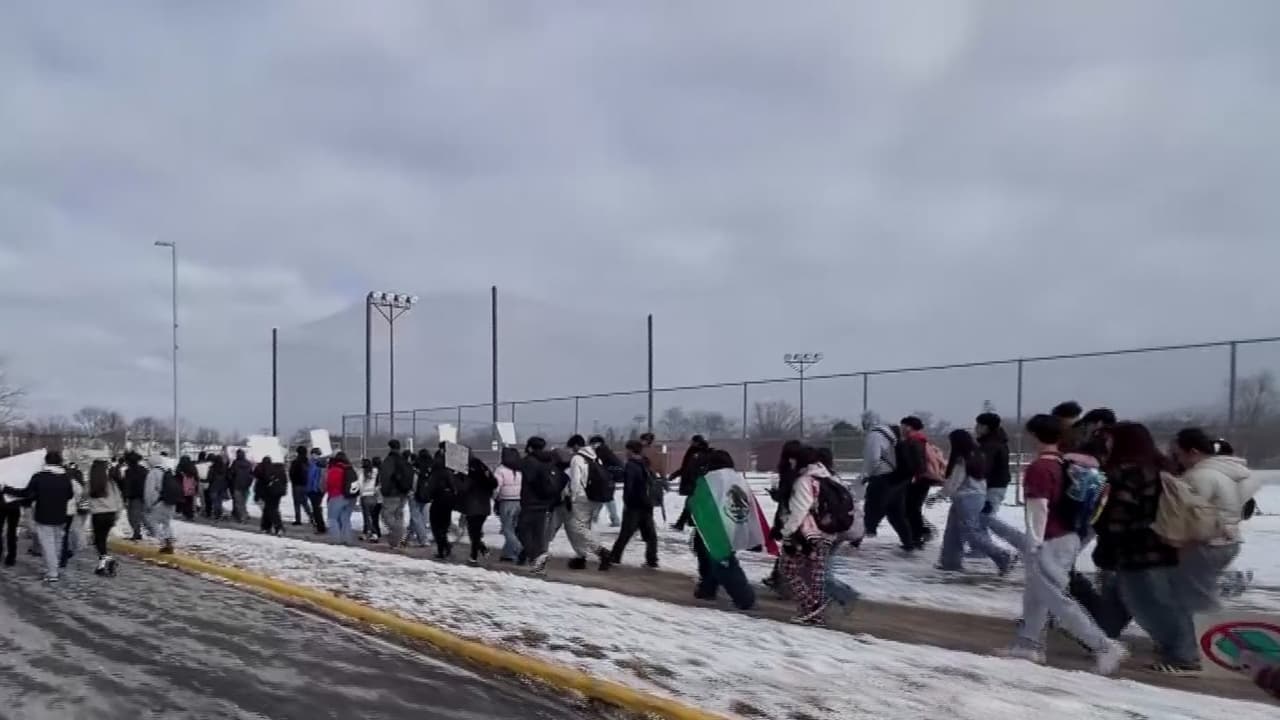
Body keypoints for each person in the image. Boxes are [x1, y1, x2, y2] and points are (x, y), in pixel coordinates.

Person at [1004, 414, 1126, 674]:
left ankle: (1103, 645)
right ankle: (1028, 643)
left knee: (1055, 597)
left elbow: (1038, 508)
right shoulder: (1065, 464)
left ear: (1035, 436)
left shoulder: (1040, 467)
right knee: (1037, 594)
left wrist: (1034, 542)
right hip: (1068, 536)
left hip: (1048, 538)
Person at [1094, 422, 1198, 674]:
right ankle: (1179, 650)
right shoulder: (1161, 467)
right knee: (1160, 601)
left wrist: (1108, 538)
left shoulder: (1128, 473)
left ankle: (1182, 655)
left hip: (1137, 550)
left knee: (1149, 604)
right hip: (1162, 546)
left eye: (1111, 440)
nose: (1107, 445)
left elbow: (1119, 516)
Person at [1168, 428, 1260, 614]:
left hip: (1206, 544)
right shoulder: (1230, 469)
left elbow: (1186, 514)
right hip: (1229, 539)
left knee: (1198, 600)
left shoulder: (1199, 475)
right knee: (1200, 593)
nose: (1177, 461)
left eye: (1178, 455)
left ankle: (1208, 638)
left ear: (1193, 452)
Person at [936, 429, 1017, 574]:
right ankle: (950, 562)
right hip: (976, 496)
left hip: (965, 498)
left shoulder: (962, 459)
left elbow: (955, 482)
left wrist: (940, 494)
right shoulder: (979, 455)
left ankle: (1002, 555)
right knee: (953, 531)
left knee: (971, 532)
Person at [776, 445, 838, 625]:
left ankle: (812, 608)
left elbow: (799, 511)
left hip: (807, 533)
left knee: (788, 568)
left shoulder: (804, 481)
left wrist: (787, 533)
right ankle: (814, 613)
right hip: (827, 532)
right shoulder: (828, 476)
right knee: (815, 573)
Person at [4, 451, 76, 581]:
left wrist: (7, 489)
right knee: (57, 543)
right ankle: (54, 568)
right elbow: (70, 495)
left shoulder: (39, 477)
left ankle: (52, 573)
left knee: (48, 545)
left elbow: (26, 493)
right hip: (60, 515)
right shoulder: (65, 477)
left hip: (44, 516)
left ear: (46, 461)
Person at [816, 447, 860, 610]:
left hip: (830, 532)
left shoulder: (825, 482)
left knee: (822, 575)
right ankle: (826, 602)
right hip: (840, 530)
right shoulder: (836, 479)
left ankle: (848, 598)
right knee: (822, 571)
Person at [562, 435, 613, 571]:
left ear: (575, 446)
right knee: (584, 527)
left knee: (577, 527)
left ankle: (601, 552)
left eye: (572, 447)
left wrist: (572, 499)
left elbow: (575, 481)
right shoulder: (596, 457)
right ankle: (581, 557)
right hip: (595, 498)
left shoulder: (577, 459)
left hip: (581, 498)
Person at [609, 440, 659, 568]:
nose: (626, 452)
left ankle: (615, 556)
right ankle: (652, 559)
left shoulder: (631, 465)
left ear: (631, 450)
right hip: (647, 504)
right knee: (650, 534)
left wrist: (627, 502)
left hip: (634, 505)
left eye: (627, 450)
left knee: (626, 532)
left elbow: (629, 486)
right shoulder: (645, 463)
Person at [861, 422, 912, 547]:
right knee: (896, 514)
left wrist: (868, 474)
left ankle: (858, 542)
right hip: (897, 479)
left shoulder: (875, 435)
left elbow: (873, 458)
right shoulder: (892, 438)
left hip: (881, 477)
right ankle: (908, 543)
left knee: (871, 511)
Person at [518, 437, 558, 574]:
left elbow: (520, 468)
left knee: (522, 531)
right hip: (544, 502)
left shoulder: (529, 462)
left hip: (530, 503)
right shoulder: (548, 460)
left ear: (529, 448)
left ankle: (536, 558)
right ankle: (539, 563)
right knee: (538, 534)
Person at [974, 413, 1010, 531]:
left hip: (992, 487)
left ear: (986, 427)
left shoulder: (990, 445)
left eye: (978, 425)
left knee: (983, 520)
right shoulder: (998, 441)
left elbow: (984, 467)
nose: (976, 428)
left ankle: (984, 548)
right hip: (996, 485)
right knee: (984, 519)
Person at [86, 458, 123, 576]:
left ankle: (107, 560)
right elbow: (118, 501)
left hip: (98, 515)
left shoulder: (90, 484)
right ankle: (101, 567)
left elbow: (83, 499)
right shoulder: (111, 483)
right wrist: (117, 516)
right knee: (102, 540)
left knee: (98, 541)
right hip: (110, 514)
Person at [459, 455, 497, 565]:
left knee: (473, 533)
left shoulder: (470, 478)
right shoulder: (487, 479)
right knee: (476, 531)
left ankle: (474, 556)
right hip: (484, 508)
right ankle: (481, 549)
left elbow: (463, 489)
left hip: (472, 507)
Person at [669, 435, 710, 531]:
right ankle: (690, 522)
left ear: (697, 442)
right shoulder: (693, 451)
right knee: (692, 503)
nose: (691, 443)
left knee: (690, 503)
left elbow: (693, 468)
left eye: (693, 441)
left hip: (696, 482)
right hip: (692, 481)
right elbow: (686, 467)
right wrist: (675, 474)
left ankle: (681, 523)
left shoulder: (701, 453)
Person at [426, 446, 459, 559]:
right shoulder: (448, 472)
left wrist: (430, 496)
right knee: (444, 526)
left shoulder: (434, 474)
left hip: (437, 501)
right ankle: (444, 547)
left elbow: (430, 489)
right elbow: (454, 488)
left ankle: (443, 548)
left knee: (435, 526)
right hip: (447, 501)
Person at [379, 440, 414, 548]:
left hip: (392, 494)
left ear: (389, 447)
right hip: (403, 492)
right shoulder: (403, 461)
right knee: (398, 515)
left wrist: (384, 491)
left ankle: (398, 533)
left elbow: (385, 477)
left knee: (386, 515)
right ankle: (395, 541)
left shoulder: (389, 461)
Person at [494, 446, 523, 563]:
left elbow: (496, 486)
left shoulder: (500, 470)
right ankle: (508, 553)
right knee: (514, 528)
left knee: (507, 529)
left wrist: (495, 498)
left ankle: (519, 548)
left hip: (506, 501)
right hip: (520, 501)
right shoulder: (521, 469)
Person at [145, 456, 180, 553]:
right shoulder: (168, 471)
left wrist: (149, 505)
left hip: (159, 502)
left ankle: (164, 541)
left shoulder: (152, 473)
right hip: (170, 501)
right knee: (166, 522)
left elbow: (149, 491)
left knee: (152, 521)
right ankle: (169, 540)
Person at [324, 452, 358, 545]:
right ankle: (347, 539)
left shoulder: (334, 469)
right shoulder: (350, 468)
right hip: (351, 497)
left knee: (332, 518)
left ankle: (335, 540)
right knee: (345, 519)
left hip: (337, 496)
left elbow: (329, 484)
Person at [589, 436, 622, 528]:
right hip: (608, 480)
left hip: (604, 480)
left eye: (593, 443)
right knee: (606, 499)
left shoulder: (602, 452)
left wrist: (606, 471)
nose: (592, 446)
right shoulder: (607, 452)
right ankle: (613, 519)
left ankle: (595, 519)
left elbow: (615, 465)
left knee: (602, 499)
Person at [253, 456, 287, 536]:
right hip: (278, 492)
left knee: (271, 510)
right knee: (269, 509)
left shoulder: (263, 468)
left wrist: (257, 495)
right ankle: (266, 527)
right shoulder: (280, 470)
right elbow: (285, 482)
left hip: (269, 493)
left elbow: (260, 483)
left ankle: (279, 527)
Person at [408, 449, 433, 548]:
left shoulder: (416, 467)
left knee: (416, 517)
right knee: (422, 515)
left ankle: (423, 539)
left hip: (416, 494)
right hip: (427, 495)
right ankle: (411, 535)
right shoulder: (431, 467)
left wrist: (412, 492)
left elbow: (415, 480)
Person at [122, 451, 149, 540]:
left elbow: (127, 485)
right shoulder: (144, 470)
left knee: (132, 516)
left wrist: (125, 497)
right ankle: (139, 532)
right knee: (138, 515)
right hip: (142, 496)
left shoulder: (129, 471)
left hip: (134, 497)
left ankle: (137, 533)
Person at [358, 458, 382, 542]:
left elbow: (360, 484)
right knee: (373, 516)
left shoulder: (362, 473)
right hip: (374, 496)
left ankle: (372, 533)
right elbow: (378, 483)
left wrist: (360, 494)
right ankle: (368, 533)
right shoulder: (375, 472)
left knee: (367, 517)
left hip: (365, 496)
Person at [306, 448, 328, 534]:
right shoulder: (322, 463)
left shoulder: (314, 464)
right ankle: (319, 525)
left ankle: (320, 527)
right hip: (319, 489)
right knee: (317, 508)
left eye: (317, 454)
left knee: (316, 508)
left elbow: (311, 478)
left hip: (315, 489)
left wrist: (310, 488)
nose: (316, 456)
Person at [288, 446, 312, 526]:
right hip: (305, 484)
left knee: (297, 503)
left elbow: (291, 473)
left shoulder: (295, 462)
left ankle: (298, 520)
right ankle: (312, 517)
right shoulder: (308, 462)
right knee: (305, 502)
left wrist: (293, 481)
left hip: (296, 485)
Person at [229, 449, 254, 523]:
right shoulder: (248, 463)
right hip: (246, 485)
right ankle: (244, 514)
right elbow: (251, 474)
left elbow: (231, 474)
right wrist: (249, 483)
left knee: (238, 502)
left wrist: (231, 481)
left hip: (237, 485)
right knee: (243, 501)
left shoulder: (235, 463)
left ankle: (242, 517)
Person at [206, 455, 229, 521]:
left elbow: (209, 478)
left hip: (213, 486)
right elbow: (228, 477)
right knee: (219, 501)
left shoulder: (212, 468)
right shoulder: (225, 468)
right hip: (222, 487)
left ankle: (217, 515)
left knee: (215, 502)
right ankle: (219, 514)